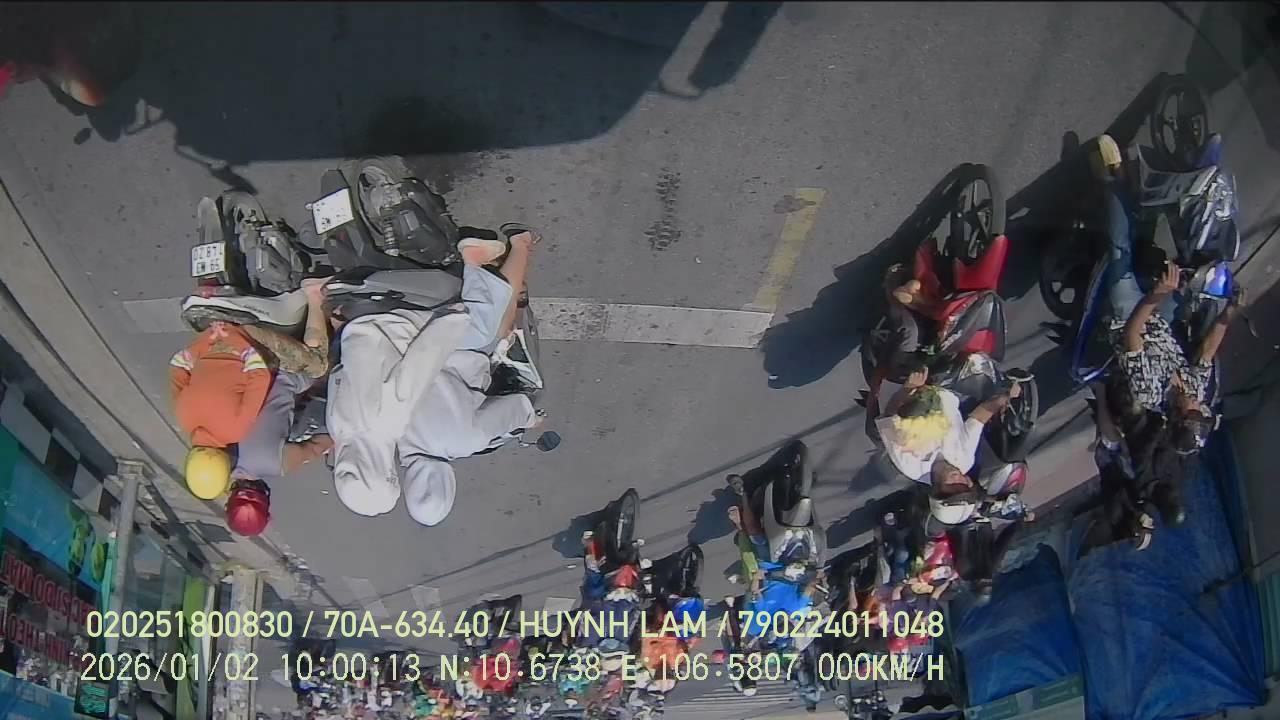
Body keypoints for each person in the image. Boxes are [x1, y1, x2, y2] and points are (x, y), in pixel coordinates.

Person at [328, 230, 535, 522]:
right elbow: (338, 375)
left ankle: (486, 255)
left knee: (487, 328)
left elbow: (421, 363)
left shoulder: (387, 425)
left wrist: (454, 320)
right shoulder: (339, 428)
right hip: (357, 335)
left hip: (393, 329)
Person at [1093, 134, 1242, 457]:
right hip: (1163, 318)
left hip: (1130, 315)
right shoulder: (1195, 388)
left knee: (1121, 252)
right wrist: (1228, 314)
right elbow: (1207, 350)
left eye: (1195, 413)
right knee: (1189, 274)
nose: (1199, 407)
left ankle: (1114, 179)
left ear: (1179, 417)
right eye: (1202, 412)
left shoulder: (1149, 394)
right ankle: (1187, 181)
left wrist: (1157, 295)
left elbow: (1132, 335)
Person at [172, 277, 332, 501]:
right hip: (212, 339)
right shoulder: (182, 418)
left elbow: (260, 378)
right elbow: (178, 365)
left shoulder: (234, 431)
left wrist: (240, 343)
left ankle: (314, 294)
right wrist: (206, 342)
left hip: (247, 340)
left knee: (317, 365)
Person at [874, 366, 1021, 484]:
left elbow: (888, 417)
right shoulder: (964, 462)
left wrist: (909, 387)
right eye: (964, 484)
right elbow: (978, 418)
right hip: (949, 386)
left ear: (937, 492)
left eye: (953, 488)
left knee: (907, 343)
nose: (958, 479)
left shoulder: (911, 466)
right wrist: (1007, 397)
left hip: (905, 388)